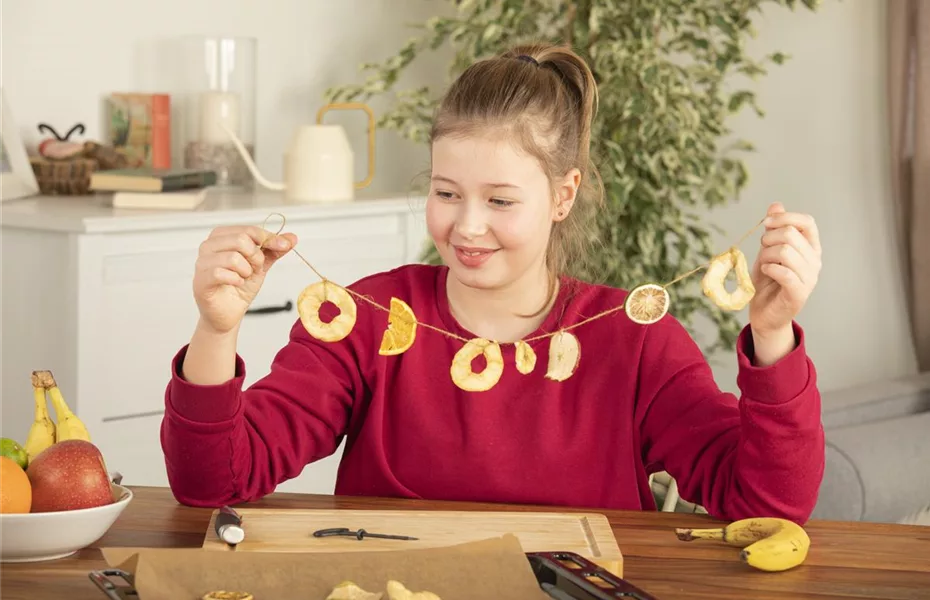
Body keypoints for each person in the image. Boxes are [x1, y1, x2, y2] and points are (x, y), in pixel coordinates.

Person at [160, 42, 825, 523]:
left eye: (500, 201)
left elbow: (768, 503)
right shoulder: (367, 317)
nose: (467, 227)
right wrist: (216, 330)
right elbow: (212, 482)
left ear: (562, 197)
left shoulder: (636, 339)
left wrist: (770, 337)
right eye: (447, 193)